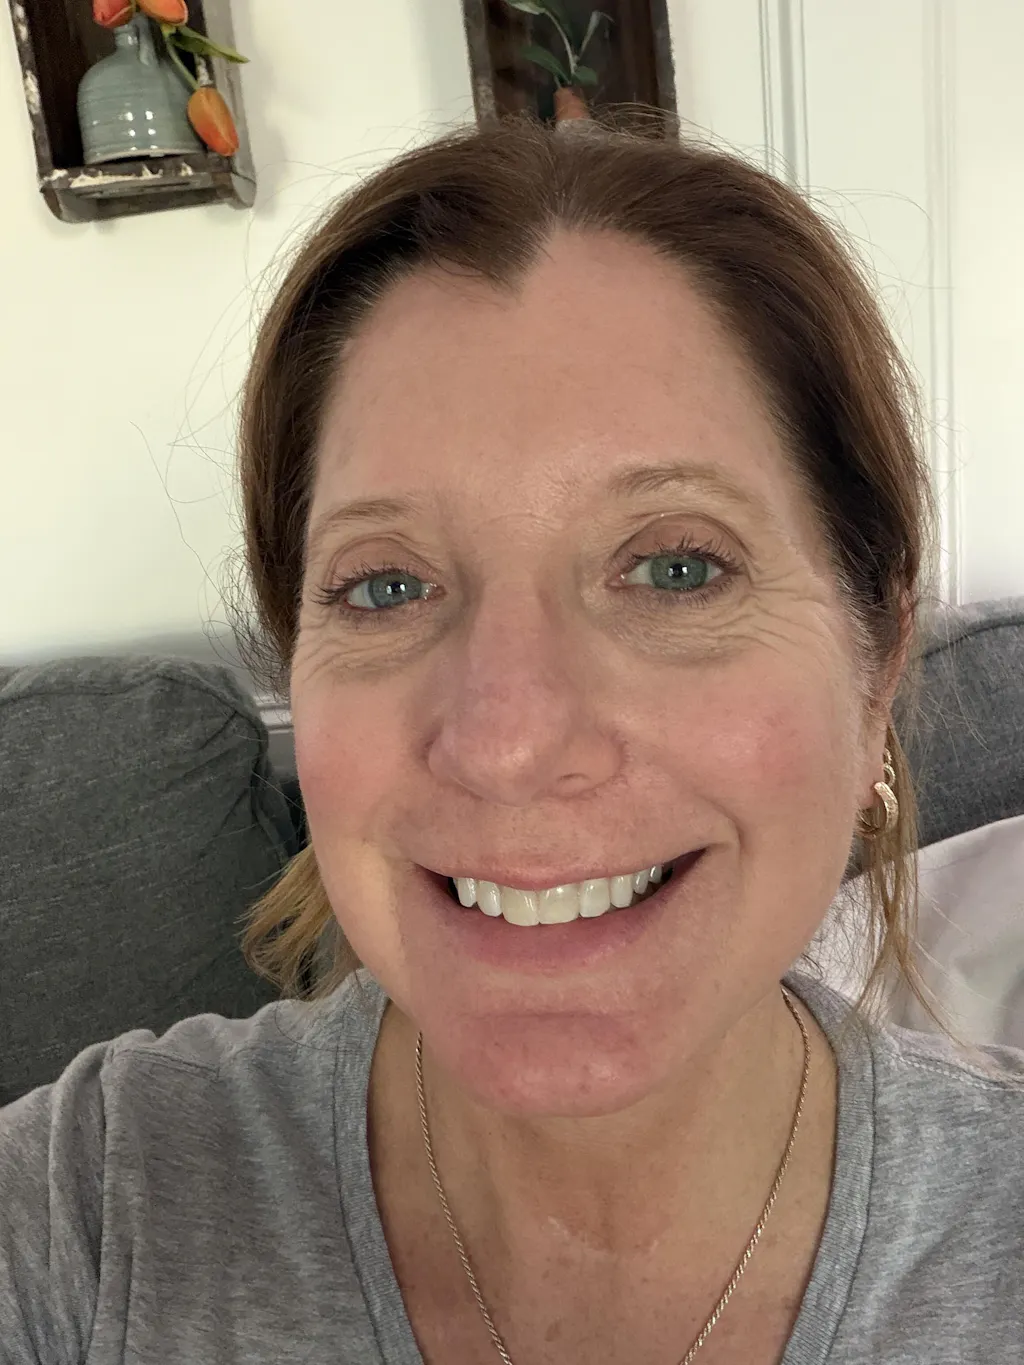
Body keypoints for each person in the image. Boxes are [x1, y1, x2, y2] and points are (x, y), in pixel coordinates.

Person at [2, 117, 1022, 1365]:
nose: (507, 741)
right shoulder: (93, 1211)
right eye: (386, 586)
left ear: (877, 668)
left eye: (675, 567)